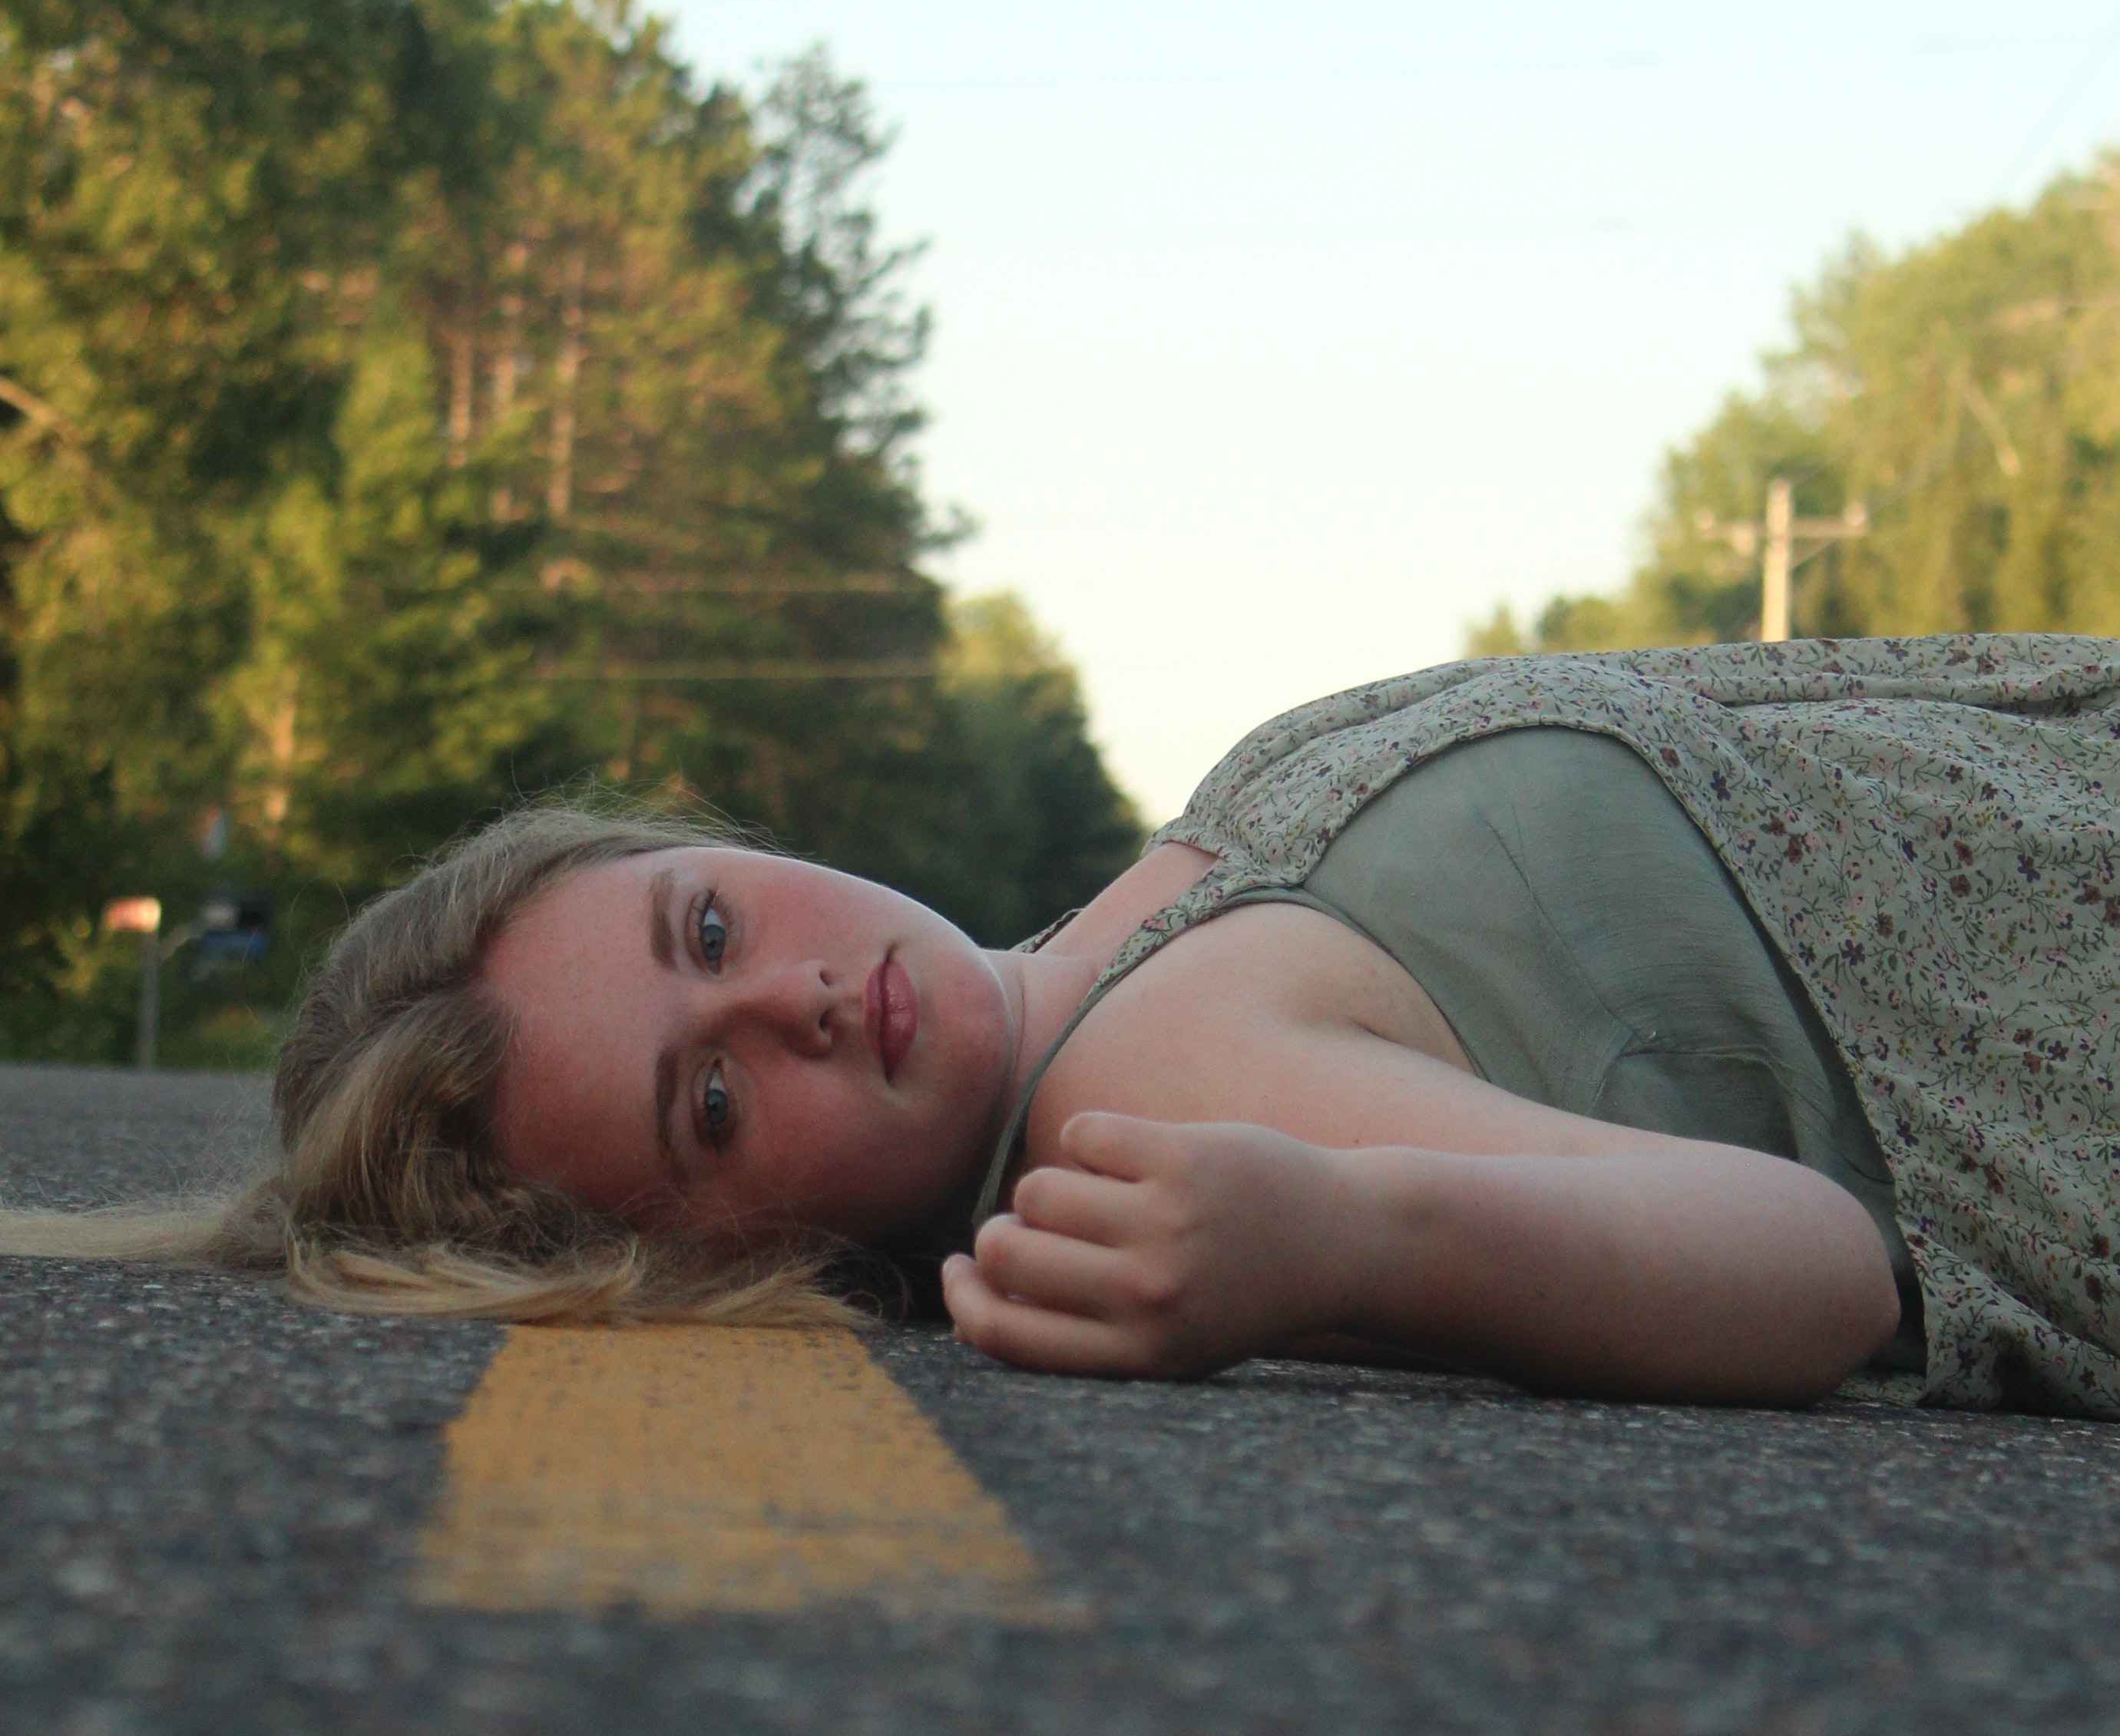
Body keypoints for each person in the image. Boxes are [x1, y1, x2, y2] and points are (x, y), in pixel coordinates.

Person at [10, 631, 2119, 1414]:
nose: (797, 993)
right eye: (716, 1100)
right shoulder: (1143, 1088)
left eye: (709, 920)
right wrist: (1354, 1240)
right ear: (726, 1262)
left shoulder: (1152, 893)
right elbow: (1825, 1273)